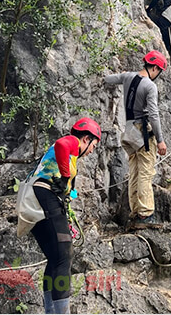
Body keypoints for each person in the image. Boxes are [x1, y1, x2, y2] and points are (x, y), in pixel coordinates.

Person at [31, 117, 101, 314]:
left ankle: (50, 311)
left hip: (40, 200)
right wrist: (64, 177)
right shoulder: (73, 142)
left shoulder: (71, 158)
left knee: (55, 258)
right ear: (86, 139)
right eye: (93, 146)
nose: (91, 151)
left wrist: (68, 190)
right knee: (64, 256)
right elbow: (62, 144)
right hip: (47, 196)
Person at [104, 50, 168, 229]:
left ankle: (134, 212)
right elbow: (154, 115)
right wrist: (161, 140)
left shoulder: (127, 77)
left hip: (128, 130)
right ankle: (145, 214)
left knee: (134, 171)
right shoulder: (149, 86)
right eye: (159, 71)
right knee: (146, 172)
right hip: (143, 132)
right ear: (155, 68)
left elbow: (109, 79)